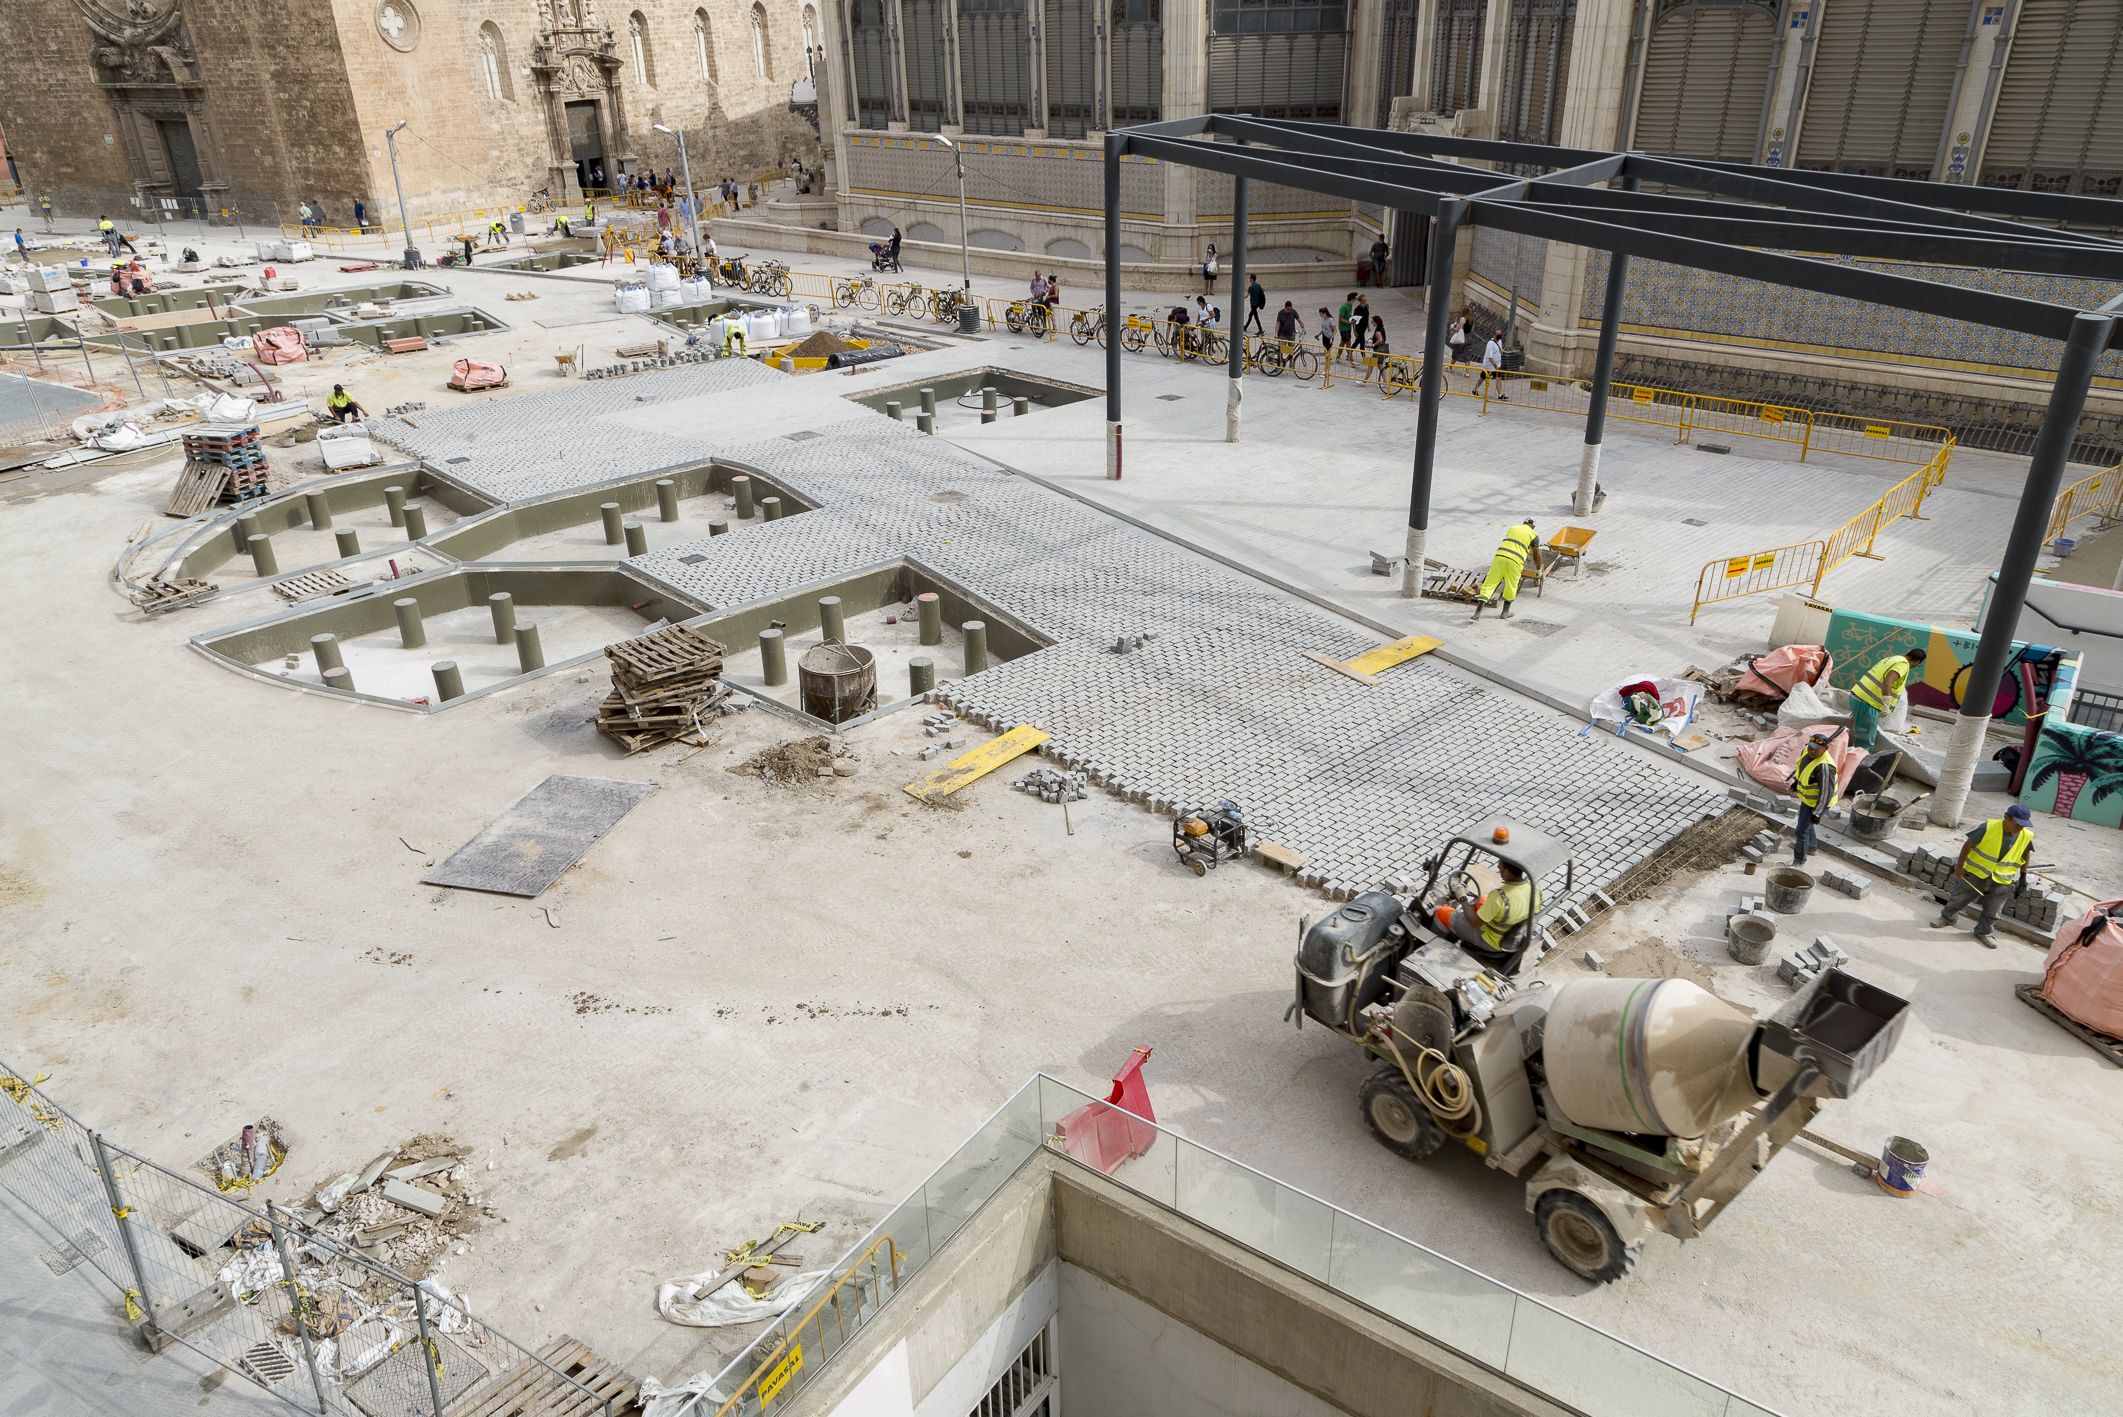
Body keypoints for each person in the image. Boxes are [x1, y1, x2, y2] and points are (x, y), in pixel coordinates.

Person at [1930, 804, 2034, 947]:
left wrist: (2023, 876)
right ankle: (1947, 918)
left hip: (2001, 878)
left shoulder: (2025, 835)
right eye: (2018, 825)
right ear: (2006, 818)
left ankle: (1983, 932)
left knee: (1994, 908)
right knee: (1960, 897)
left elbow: (2026, 853)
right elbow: (1968, 845)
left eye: (2023, 826)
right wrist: (1960, 866)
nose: (2020, 829)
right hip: (1976, 872)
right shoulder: (1988, 827)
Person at [1442, 860, 1541, 958]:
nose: (1498, 870)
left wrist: (1462, 898)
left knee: (1443, 913)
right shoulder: (1536, 889)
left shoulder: (1499, 897)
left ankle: (1438, 943)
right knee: (1483, 899)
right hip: (1512, 936)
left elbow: (1475, 923)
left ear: (1507, 871)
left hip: (1490, 941)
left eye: (1500, 868)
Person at [1850, 647, 1926, 749]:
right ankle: (1861, 762)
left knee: (1861, 733)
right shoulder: (1902, 665)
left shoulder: (1893, 658)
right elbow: (1888, 682)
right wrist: (1886, 705)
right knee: (1866, 739)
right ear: (1917, 661)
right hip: (1867, 704)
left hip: (1858, 697)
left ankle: (1855, 756)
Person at [1473, 517, 1538, 621]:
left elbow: (1514, 543)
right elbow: (1536, 555)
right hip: (1515, 562)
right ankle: (1505, 613)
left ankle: (1477, 613)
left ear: (1523, 522)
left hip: (1499, 557)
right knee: (1511, 585)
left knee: (1489, 584)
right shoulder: (1534, 535)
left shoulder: (1513, 528)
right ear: (1533, 526)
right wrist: (1539, 568)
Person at [1790, 732, 1839, 867]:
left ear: (1825, 749)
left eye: (1816, 749)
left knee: (1801, 831)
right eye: (1811, 747)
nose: (1812, 751)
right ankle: (1811, 847)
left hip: (1818, 803)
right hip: (1807, 799)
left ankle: (1799, 861)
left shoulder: (1825, 767)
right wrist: (1796, 782)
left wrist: (1817, 813)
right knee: (1805, 824)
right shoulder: (1807, 751)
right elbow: (1802, 769)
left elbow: (1826, 793)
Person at [1481, 329, 1508, 400]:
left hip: (1497, 365)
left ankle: (1500, 394)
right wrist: (1495, 366)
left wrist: (1501, 351)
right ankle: (1475, 389)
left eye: (1500, 334)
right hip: (1489, 366)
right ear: (1494, 335)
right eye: (1498, 334)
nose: (1499, 336)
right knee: (1482, 378)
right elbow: (1490, 356)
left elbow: (1499, 351)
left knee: (1499, 378)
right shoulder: (1490, 343)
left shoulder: (1500, 341)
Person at [1361, 317, 1388, 386]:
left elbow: (1380, 340)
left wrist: (1373, 345)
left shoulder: (1378, 330)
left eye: (1372, 321)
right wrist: (1373, 338)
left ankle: (1364, 381)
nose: (1371, 323)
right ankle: (1385, 382)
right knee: (1380, 366)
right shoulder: (1382, 328)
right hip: (1382, 350)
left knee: (1371, 365)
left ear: (1376, 322)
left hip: (1378, 350)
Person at [1350, 294, 1371, 362]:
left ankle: (1349, 352)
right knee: (1362, 342)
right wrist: (1354, 330)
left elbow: (1367, 316)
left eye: (1365, 299)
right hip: (1359, 328)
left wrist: (1368, 326)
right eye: (1363, 300)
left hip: (1364, 328)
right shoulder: (1357, 309)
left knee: (1357, 341)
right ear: (1360, 301)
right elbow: (1354, 320)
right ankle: (1364, 358)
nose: (1365, 301)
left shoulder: (1367, 306)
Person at [1337, 292, 1356, 363]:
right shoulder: (1344, 307)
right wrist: (1349, 322)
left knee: (1342, 342)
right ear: (1352, 299)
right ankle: (1351, 359)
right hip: (1343, 328)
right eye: (1355, 299)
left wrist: (1353, 319)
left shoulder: (1350, 306)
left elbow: (1349, 315)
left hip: (1348, 327)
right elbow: (1340, 319)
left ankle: (1338, 357)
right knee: (1348, 343)